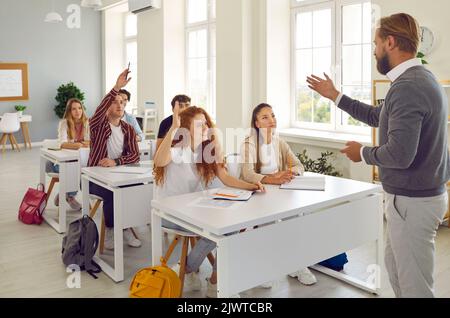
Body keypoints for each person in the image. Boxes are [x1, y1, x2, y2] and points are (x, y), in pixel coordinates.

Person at [307, 13, 450, 297]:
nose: (374, 50)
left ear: (390, 41)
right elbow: (378, 116)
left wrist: (362, 153)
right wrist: (336, 96)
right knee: (397, 272)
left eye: (375, 43)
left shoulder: (408, 86)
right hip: (414, 199)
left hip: (413, 202)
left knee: (415, 286)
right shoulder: (417, 78)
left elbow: (399, 155)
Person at [153, 104, 265, 298]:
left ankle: (214, 280)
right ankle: (190, 268)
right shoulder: (179, 149)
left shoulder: (206, 150)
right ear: (186, 130)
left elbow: (225, 177)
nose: (206, 128)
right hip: (168, 213)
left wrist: (253, 186)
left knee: (233, 225)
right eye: (199, 125)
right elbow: (159, 161)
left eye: (206, 123)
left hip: (191, 211)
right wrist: (173, 127)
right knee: (220, 229)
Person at [240, 103, 317, 286]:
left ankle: (297, 265)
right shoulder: (249, 143)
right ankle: (263, 269)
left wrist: (290, 174)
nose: (271, 120)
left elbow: (299, 165)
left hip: (281, 193)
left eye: (272, 116)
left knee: (296, 220)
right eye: (265, 117)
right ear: (257, 123)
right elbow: (247, 174)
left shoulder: (279, 142)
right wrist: (272, 178)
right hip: (259, 194)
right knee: (269, 226)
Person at [88, 69, 142, 249]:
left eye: (122, 103)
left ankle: (125, 227)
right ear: (107, 107)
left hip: (119, 174)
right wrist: (117, 86)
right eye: (115, 102)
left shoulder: (129, 129)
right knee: (113, 193)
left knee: (137, 188)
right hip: (94, 179)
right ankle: (111, 229)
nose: (120, 106)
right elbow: (99, 109)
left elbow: (135, 154)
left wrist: (116, 162)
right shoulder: (98, 125)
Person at [47, 98, 90, 210]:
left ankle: (65, 194)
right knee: (75, 171)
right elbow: (62, 143)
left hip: (78, 161)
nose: (78, 111)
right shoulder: (64, 123)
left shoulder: (86, 122)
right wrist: (80, 144)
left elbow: (91, 141)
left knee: (82, 171)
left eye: (80, 108)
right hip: (58, 164)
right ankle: (69, 196)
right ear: (69, 111)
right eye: (74, 109)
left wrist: (76, 143)